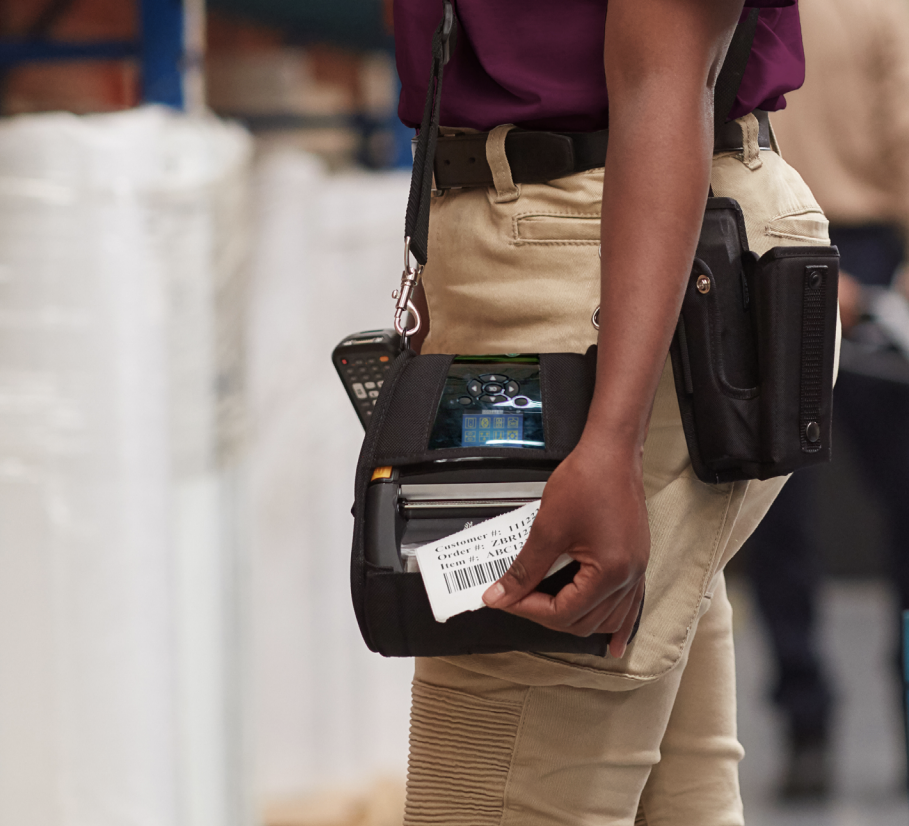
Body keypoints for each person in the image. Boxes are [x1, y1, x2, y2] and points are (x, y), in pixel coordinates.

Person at [390, 0, 820, 821]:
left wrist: (611, 440)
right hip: (565, 252)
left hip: (599, 257)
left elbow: (665, 75)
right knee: (676, 796)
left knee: (486, 792)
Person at [741, 0, 909, 799]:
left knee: (775, 519)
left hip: (772, 253)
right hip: (869, 263)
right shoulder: (887, 10)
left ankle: (805, 726)